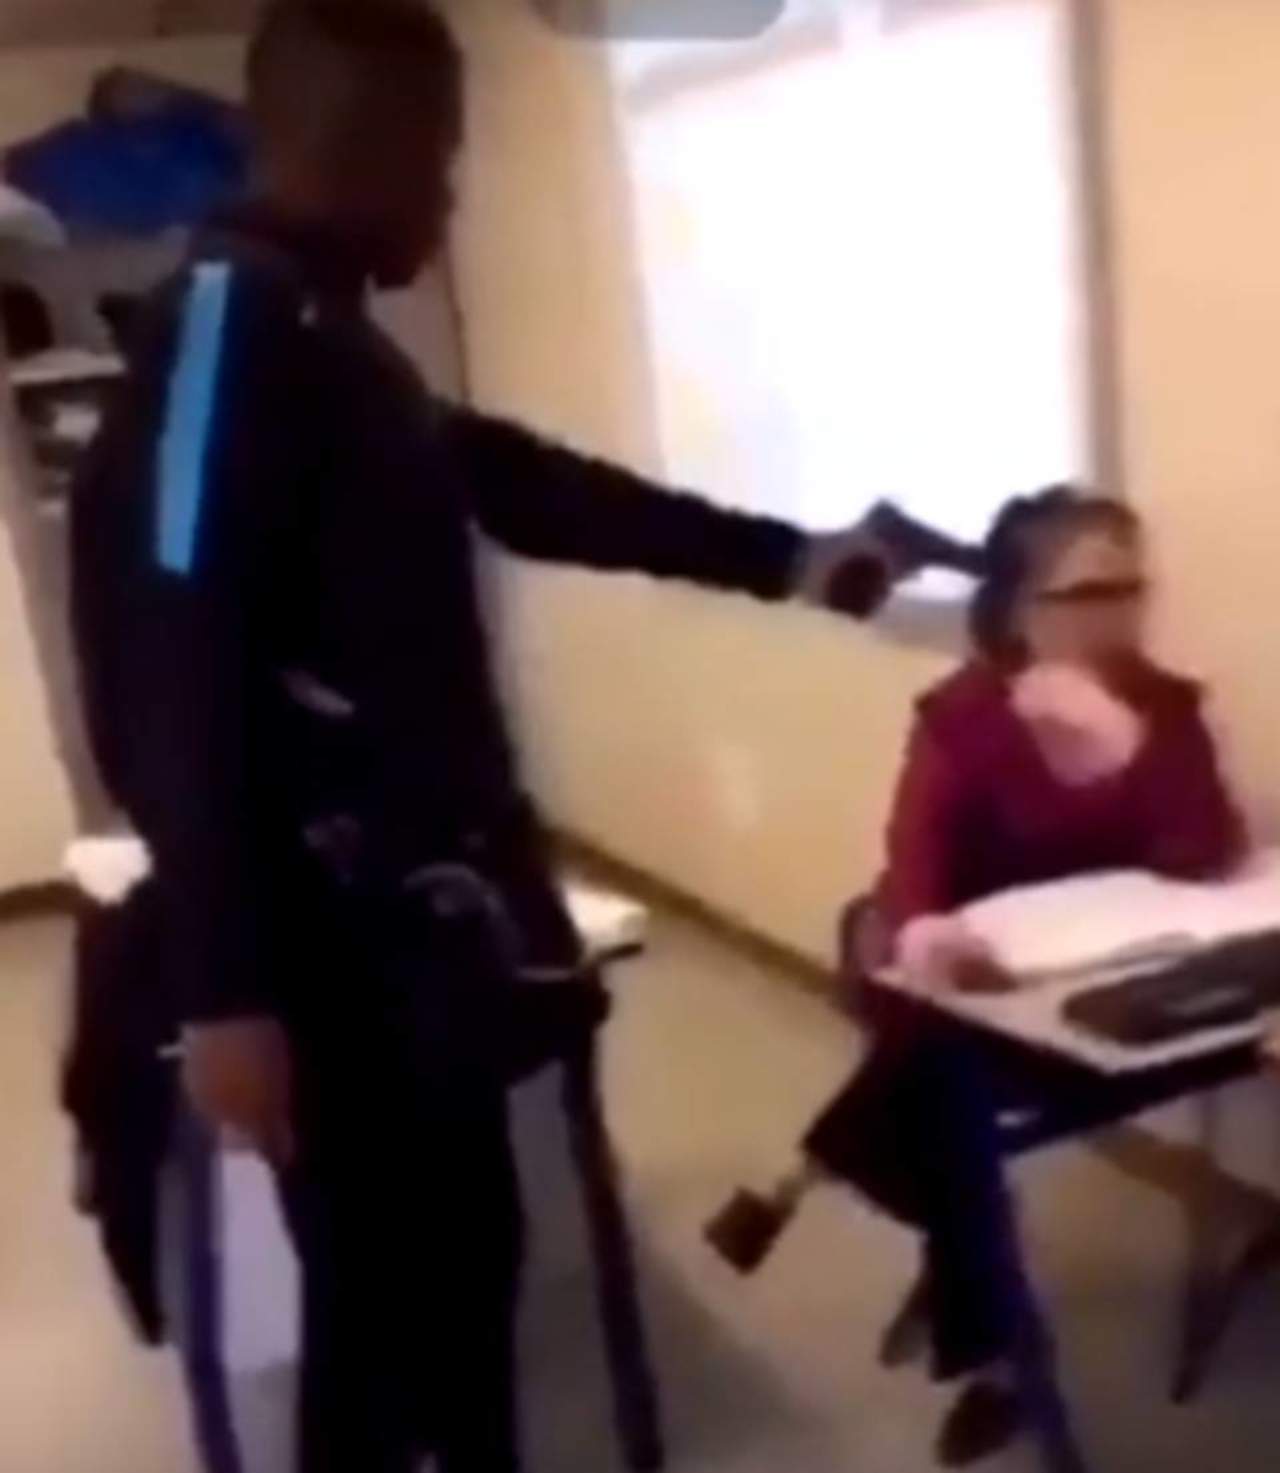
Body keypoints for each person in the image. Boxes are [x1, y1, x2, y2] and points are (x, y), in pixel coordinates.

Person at [66, 4, 963, 1470]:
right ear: (369, 145)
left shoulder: (328, 340)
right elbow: (170, 666)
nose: (450, 197)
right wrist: (227, 990)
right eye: (442, 157)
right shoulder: (226, 336)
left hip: (415, 940)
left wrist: (791, 558)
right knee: (378, 1328)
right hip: (326, 956)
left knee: (461, 1284)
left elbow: (511, 481)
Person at [706, 487, 1245, 1466]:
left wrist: (1138, 749)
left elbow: (1204, 850)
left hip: (1105, 992)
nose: (1121, 612)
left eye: (1134, 587)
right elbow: (912, 874)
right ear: (1020, 607)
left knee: (927, 1090)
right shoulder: (964, 715)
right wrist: (927, 935)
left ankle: (810, 1181)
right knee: (943, 1078)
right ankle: (996, 1354)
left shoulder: (1165, 704)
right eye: (1091, 592)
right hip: (976, 987)